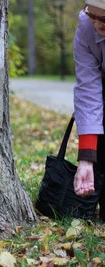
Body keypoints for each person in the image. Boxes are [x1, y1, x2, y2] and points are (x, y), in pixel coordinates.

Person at [73, 0, 105, 217]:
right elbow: (88, 91)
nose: (95, 25)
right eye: (91, 15)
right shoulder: (86, 25)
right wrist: (86, 158)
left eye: (102, 19)